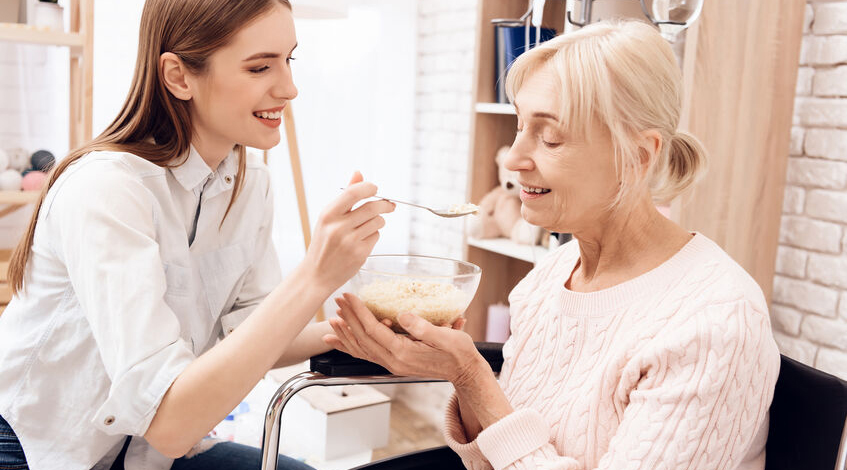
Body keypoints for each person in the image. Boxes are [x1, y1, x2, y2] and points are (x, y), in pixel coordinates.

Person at [325, 20, 781, 470]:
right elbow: (489, 459)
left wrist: (472, 375)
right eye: (520, 126)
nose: (516, 160)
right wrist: (462, 377)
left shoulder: (715, 326)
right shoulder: (552, 275)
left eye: (550, 137)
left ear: (638, 157)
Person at [0, 0, 395, 469]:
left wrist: (354, 332)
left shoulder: (249, 186)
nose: (289, 88)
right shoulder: (105, 189)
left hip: (147, 454)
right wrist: (315, 275)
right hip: (41, 451)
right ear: (179, 76)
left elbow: (249, 331)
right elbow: (167, 421)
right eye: (259, 67)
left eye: (288, 60)